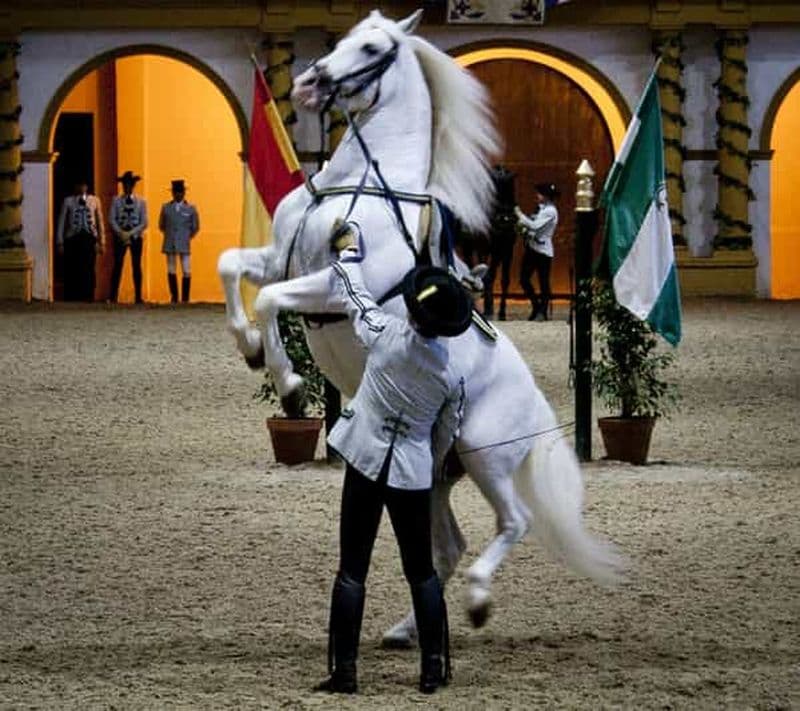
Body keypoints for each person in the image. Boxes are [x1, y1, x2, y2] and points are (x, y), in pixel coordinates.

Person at [316, 236, 472, 696]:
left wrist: (348, 253)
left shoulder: (384, 334)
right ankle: (433, 667)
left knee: (352, 569)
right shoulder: (449, 377)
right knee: (421, 571)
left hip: (364, 461)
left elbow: (354, 293)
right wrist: (431, 462)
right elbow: (446, 435)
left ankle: (344, 671)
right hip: (410, 472)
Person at [516, 181, 559, 321]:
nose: (537, 195)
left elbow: (535, 226)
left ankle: (543, 311)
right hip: (532, 248)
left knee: (543, 282)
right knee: (524, 279)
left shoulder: (550, 211)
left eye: (540, 193)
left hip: (543, 251)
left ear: (546, 196)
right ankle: (536, 305)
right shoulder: (540, 209)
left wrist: (520, 215)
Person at [56, 180, 105, 302]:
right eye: (79, 185)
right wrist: (60, 241)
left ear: (87, 187)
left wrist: (101, 241)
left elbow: (100, 221)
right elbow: (61, 222)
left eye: (83, 185)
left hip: (89, 238)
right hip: (73, 238)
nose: (81, 187)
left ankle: (88, 295)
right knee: (73, 267)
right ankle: (73, 295)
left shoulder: (94, 200)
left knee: (89, 267)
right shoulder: (68, 201)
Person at [483, 165, 517, 321]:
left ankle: (490, 307)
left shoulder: (495, 194)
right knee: (504, 270)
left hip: (497, 232)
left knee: (492, 271)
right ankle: (501, 307)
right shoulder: (509, 199)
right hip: (507, 231)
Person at [109, 171, 148, 304]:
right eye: (125, 185)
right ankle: (113, 295)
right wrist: (120, 232)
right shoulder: (116, 200)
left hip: (135, 236)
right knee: (117, 265)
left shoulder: (141, 201)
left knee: (136, 266)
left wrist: (131, 233)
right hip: (120, 235)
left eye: (129, 185)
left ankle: (138, 296)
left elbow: (144, 222)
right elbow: (112, 219)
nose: (127, 187)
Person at [158, 179, 199, 303]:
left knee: (186, 269)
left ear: (183, 193)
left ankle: (185, 298)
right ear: (173, 193)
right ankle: (174, 296)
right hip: (170, 240)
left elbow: (195, 226)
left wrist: (187, 236)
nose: (178, 194)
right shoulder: (166, 208)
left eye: (180, 192)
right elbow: (161, 225)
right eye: (176, 192)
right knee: (171, 269)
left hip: (184, 241)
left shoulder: (191, 208)